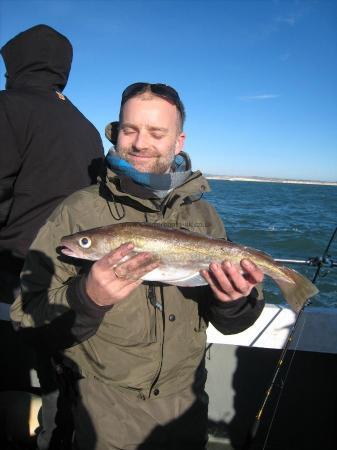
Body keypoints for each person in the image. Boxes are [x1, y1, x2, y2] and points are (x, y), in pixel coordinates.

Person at [11, 82, 265, 450]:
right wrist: (87, 298)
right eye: (129, 130)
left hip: (186, 408)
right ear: (117, 132)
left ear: (179, 141)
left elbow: (233, 323)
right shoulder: (77, 212)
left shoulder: (204, 216)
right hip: (103, 416)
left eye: (157, 133)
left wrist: (234, 301)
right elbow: (27, 320)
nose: (140, 143)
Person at [0, 24, 104, 449]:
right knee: (53, 391)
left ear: (14, 62)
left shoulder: (9, 106)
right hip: (70, 283)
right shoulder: (86, 126)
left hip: (11, 277)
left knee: (11, 382)